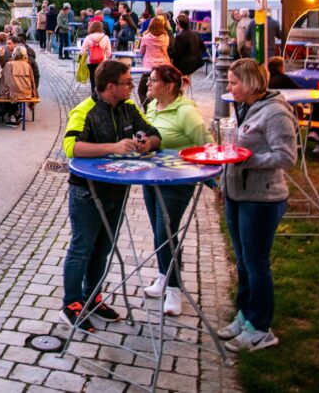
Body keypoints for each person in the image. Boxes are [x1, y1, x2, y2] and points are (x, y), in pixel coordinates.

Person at [60, 61, 161, 333]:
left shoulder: (128, 109)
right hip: (87, 191)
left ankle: (93, 299)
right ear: (110, 86)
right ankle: (71, 304)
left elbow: (154, 134)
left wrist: (146, 143)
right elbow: (71, 147)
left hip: (118, 189)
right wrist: (113, 147)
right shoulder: (86, 110)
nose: (131, 86)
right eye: (127, 82)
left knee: (103, 248)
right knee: (82, 248)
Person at [217, 58, 297, 352]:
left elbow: (287, 157)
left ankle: (261, 328)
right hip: (237, 195)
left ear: (250, 83)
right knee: (243, 261)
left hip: (262, 199)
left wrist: (248, 161)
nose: (229, 87)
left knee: (256, 263)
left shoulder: (275, 112)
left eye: (234, 82)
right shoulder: (243, 106)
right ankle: (245, 315)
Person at [141, 64, 209, 316]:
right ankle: (163, 276)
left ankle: (174, 290)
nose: (148, 83)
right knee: (160, 234)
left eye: (153, 80)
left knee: (166, 234)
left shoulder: (186, 113)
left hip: (178, 182)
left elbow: (207, 145)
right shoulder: (151, 106)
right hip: (152, 179)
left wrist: (213, 181)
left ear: (169, 86)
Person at [0, 45, 38, 126]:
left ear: (14, 54)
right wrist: (34, 93)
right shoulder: (27, 65)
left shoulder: (9, 64)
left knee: (5, 93)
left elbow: (5, 80)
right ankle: (17, 114)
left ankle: (12, 116)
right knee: (14, 92)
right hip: (26, 93)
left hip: (13, 94)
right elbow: (32, 81)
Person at [137, 15, 171, 105]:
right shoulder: (166, 37)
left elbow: (141, 52)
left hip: (149, 67)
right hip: (163, 66)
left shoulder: (146, 38)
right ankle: (158, 108)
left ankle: (149, 110)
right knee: (160, 90)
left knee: (142, 91)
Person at [80, 20, 113, 98]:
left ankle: (94, 96)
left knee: (93, 80)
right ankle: (102, 96)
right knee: (102, 79)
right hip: (102, 62)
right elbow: (109, 52)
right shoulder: (105, 37)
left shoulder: (88, 37)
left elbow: (82, 51)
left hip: (91, 62)